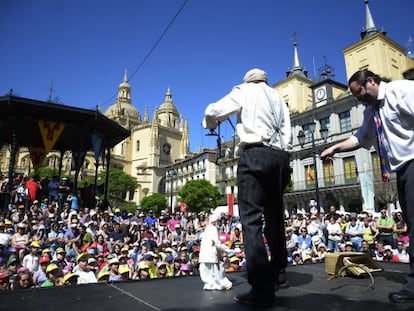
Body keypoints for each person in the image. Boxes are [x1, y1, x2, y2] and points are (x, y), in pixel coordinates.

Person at [320, 69, 414, 303]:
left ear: (371, 81)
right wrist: (334, 148)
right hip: (402, 169)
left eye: (359, 92)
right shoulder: (371, 111)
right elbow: (361, 138)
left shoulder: (400, 91)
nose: (359, 98)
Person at [203, 68, 292, 306]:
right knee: (275, 215)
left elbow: (213, 110)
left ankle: (261, 286)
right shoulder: (278, 97)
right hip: (282, 158)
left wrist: (209, 123)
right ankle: (279, 272)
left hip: (256, 154)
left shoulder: (244, 90)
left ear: (247, 80)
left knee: (251, 220)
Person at [198, 213, 232, 291]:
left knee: (206, 270)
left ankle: (209, 284)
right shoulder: (213, 229)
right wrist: (228, 250)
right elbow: (217, 243)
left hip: (205, 255)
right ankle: (221, 284)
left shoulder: (207, 228)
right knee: (217, 271)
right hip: (212, 254)